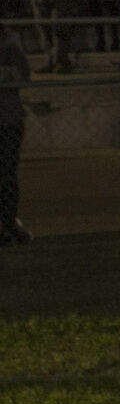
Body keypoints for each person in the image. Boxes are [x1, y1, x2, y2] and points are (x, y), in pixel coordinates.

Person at [0, 22, 31, 246]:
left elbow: (22, 74)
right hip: (9, 119)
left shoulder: (10, 42)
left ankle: (8, 224)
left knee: (7, 176)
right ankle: (8, 225)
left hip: (7, 119)